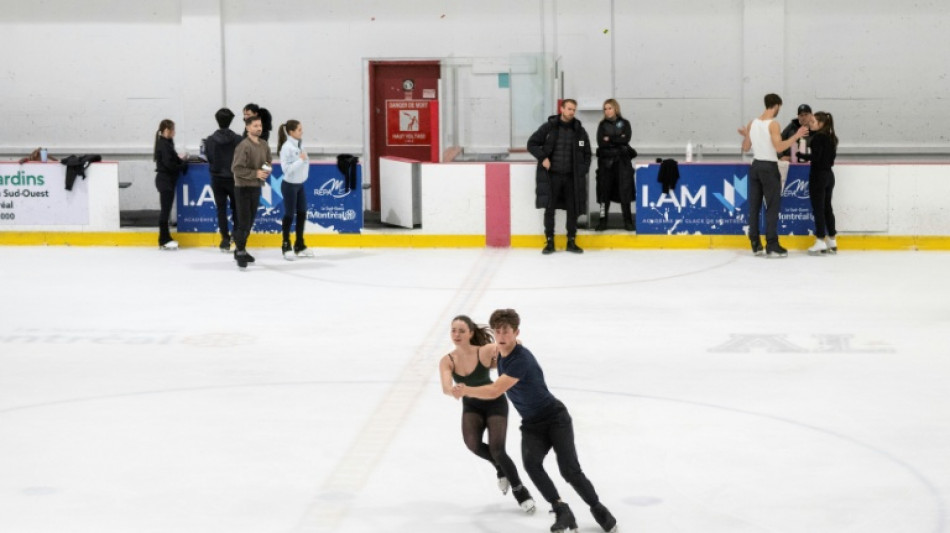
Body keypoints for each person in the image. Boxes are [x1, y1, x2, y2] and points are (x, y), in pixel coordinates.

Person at [453, 309, 617, 533]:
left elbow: (494, 390)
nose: (501, 336)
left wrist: (466, 389)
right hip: (532, 425)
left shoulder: (521, 360)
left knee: (569, 471)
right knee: (532, 465)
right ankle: (561, 510)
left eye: (506, 331)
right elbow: (482, 358)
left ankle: (598, 509)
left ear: (516, 332)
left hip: (555, 418)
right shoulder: (500, 353)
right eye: (497, 331)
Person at [438, 315, 536, 514]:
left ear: (471, 333)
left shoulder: (483, 351)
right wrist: (453, 390)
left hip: (494, 403)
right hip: (471, 406)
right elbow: (446, 387)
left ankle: (520, 490)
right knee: (472, 444)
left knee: (497, 449)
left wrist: (502, 355)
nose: (456, 334)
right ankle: (499, 467)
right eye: (453, 330)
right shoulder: (447, 360)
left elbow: (516, 344)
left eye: (462, 331)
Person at [737, 93, 809, 258]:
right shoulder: (773, 124)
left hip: (755, 166)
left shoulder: (752, 123)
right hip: (769, 167)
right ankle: (772, 244)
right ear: (776, 105)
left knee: (754, 206)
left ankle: (755, 243)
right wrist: (796, 136)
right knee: (772, 207)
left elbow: (746, 148)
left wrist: (747, 134)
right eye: (779, 108)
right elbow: (779, 147)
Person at [527, 99, 592, 255]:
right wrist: (543, 157)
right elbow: (532, 144)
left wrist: (582, 169)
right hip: (552, 177)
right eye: (569, 109)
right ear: (562, 109)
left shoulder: (579, 132)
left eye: (574, 109)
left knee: (573, 210)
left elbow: (586, 152)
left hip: (571, 178)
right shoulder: (549, 128)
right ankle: (550, 242)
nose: (571, 112)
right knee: (549, 209)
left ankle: (571, 241)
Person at [231, 115, 272, 269]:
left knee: (249, 222)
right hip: (242, 188)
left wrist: (265, 170)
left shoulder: (264, 144)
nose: (259, 128)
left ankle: (240, 248)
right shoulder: (243, 146)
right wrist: (256, 173)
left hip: (255, 187)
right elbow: (236, 169)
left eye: (260, 125)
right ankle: (240, 251)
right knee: (243, 222)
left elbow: (268, 161)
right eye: (255, 126)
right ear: (248, 128)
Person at [797, 111, 838, 255]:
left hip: (818, 176)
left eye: (813, 121)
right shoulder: (832, 138)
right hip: (829, 176)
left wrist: (801, 155)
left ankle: (820, 240)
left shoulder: (818, 137)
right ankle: (832, 240)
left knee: (818, 209)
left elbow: (816, 157)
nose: (810, 124)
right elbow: (829, 159)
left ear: (821, 124)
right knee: (827, 208)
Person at [204, 108, 243, 252]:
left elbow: (208, 158)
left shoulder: (210, 140)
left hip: (217, 178)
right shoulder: (238, 139)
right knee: (236, 209)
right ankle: (236, 236)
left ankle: (225, 239)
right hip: (233, 178)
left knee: (221, 209)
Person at [594, 99, 637, 232]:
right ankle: (602, 221)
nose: (607, 111)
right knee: (604, 194)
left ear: (615, 109)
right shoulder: (602, 125)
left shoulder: (625, 123)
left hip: (622, 163)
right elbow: (601, 143)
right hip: (606, 164)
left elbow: (626, 139)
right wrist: (618, 139)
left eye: (609, 108)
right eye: (605, 109)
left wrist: (610, 139)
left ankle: (628, 221)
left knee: (625, 193)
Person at [277, 120, 313, 260]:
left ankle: (299, 244)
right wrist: (300, 160)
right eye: (299, 129)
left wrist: (304, 167)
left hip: (299, 185)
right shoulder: (286, 148)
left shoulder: (300, 144)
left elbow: (305, 161)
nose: (302, 131)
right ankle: (286, 244)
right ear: (291, 132)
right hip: (289, 186)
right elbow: (286, 170)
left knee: (302, 213)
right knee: (289, 214)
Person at [153, 119, 188, 250]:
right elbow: (169, 164)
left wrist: (181, 161)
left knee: (166, 210)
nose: (174, 132)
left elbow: (173, 159)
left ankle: (166, 237)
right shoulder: (163, 144)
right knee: (165, 211)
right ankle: (163, 239)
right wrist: (182, 165)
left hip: (167, 180)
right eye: (173, 130)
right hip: (165, 181)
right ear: (167, 130)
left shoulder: (167, 143)